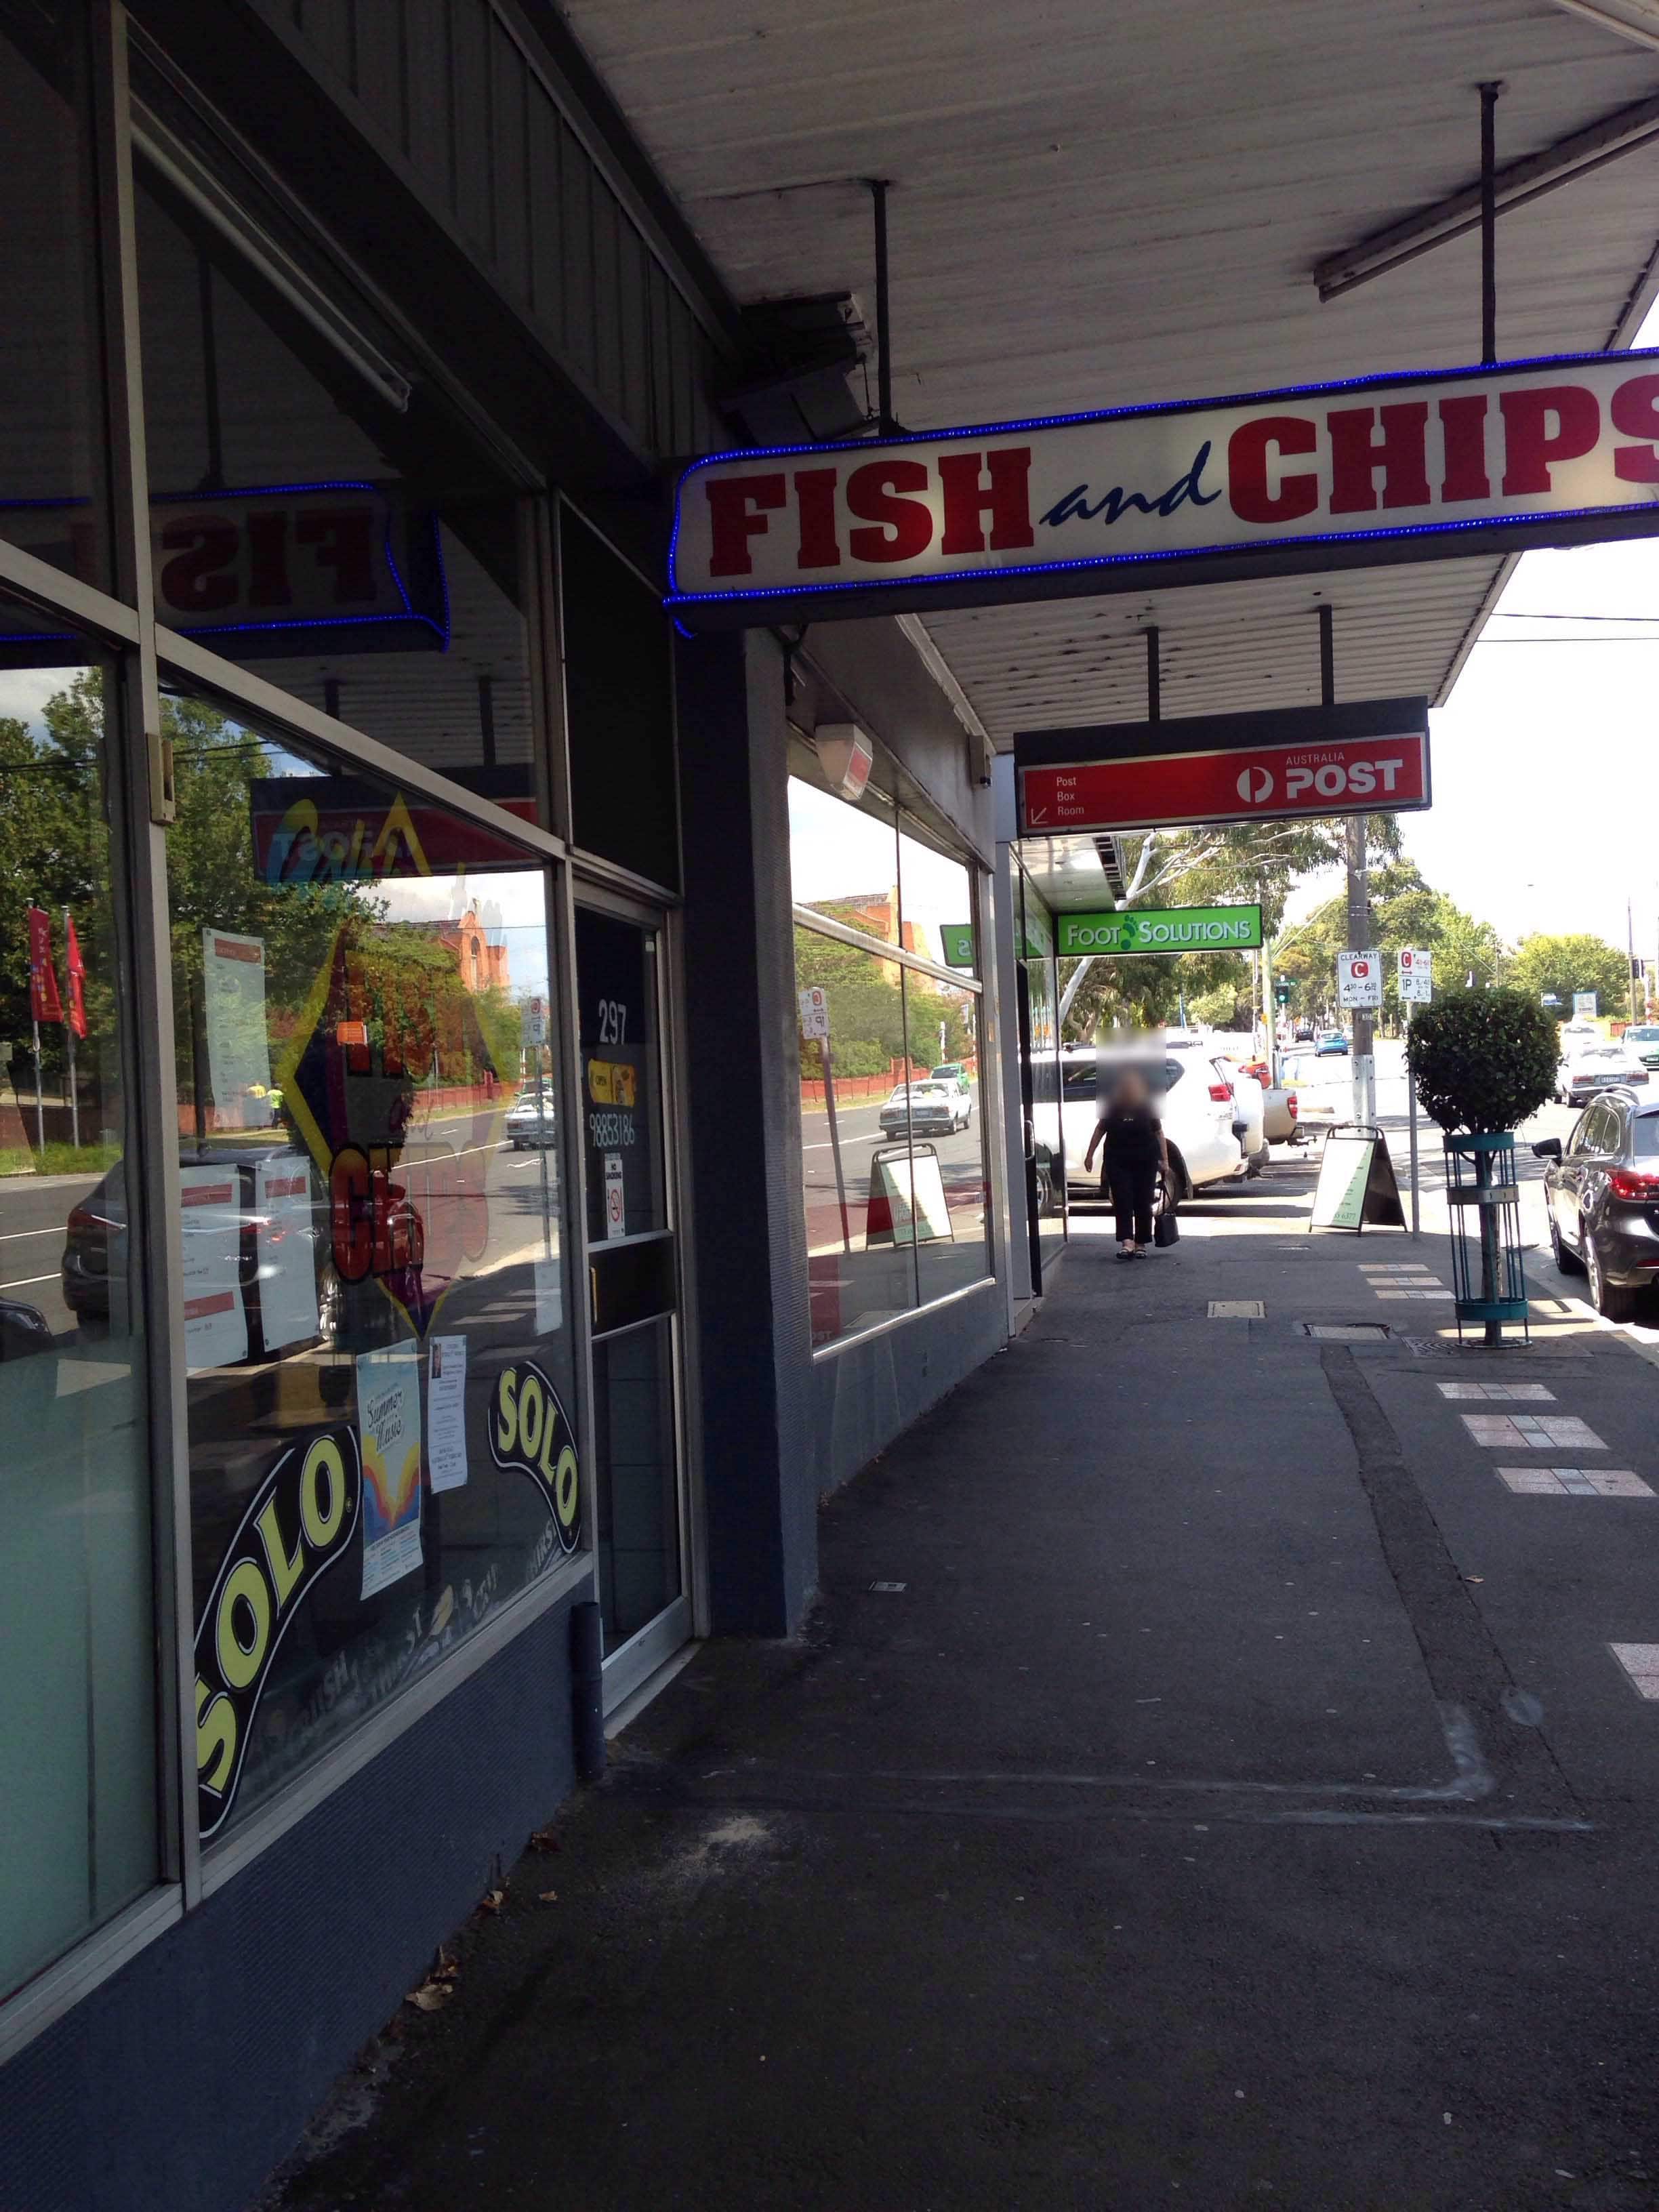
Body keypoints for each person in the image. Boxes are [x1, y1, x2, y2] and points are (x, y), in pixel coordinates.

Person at [1083, 1067, 1170, 1258]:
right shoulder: (1112, 1107)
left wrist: (1165, 1160)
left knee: (1143, 1200)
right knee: (1122, 1200)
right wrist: (1089, 1155)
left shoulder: (1148, 1107)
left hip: (1145, 1160)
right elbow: (1099, 1130)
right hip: (1117, 1159)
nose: (1129, 1089)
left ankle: (1141, 1243)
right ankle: (1127, 1242)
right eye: (1125, 1086)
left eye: (1132, 1086)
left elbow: (1159, 1133)